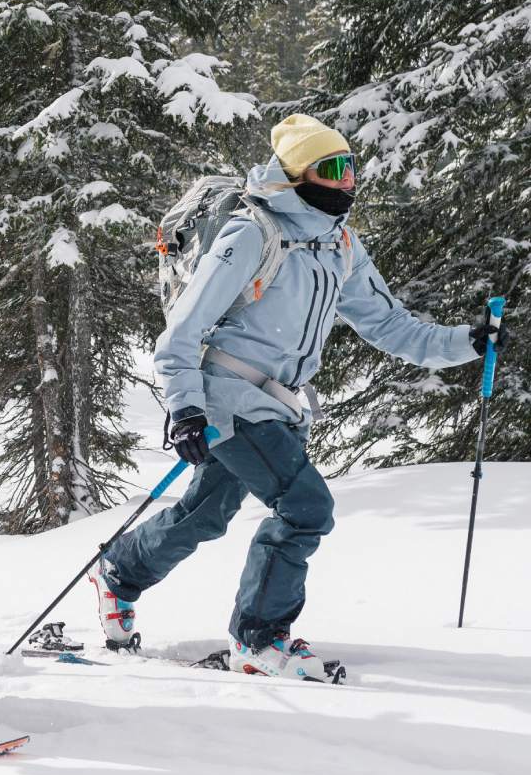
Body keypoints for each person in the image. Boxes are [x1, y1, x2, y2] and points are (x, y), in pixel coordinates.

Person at [88, 114, 508, 679]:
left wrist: (466, 342)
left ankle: (119, 573)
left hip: (279, 404)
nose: (346, 180)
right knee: (306, 508)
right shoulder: (252, 234)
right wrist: (185, 407)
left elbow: (390, 326)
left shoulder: (339, 245)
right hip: (229, 397)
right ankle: (258, 640)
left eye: (350, 167)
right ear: (295, 174)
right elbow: (181, 333)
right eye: (331, 168)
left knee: (207, 512)